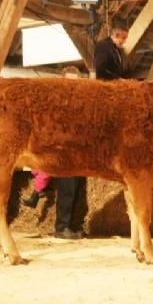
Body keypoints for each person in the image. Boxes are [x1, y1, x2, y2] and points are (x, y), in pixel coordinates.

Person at [23, 66, 88, 239]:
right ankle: (62, 227)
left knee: (76, 189)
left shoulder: (81, 104)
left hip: (78, 152)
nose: (70, 86)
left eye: (74, 82)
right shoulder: (53, 103)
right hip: (61, 151)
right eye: (67, 81)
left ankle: (73, 225)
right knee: (67, 189)